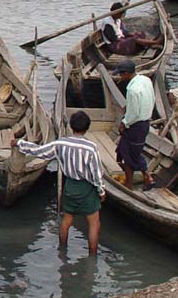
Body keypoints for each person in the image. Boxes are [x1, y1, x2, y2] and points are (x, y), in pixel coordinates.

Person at [10, 110, 105, 254]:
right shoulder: (91, 148)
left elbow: (40, 151)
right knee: (94, 223)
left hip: (70, 186)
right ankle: (92, 254)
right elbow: (96, 174)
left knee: (67, 219)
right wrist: (101, 191)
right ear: (87, 128)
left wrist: (20, 143)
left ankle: (62, 250)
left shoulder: (61, 143)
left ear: (71, 127)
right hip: (87, 188)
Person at [113, 60, 156, 190]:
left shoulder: (132, 90)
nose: (120, 77)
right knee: (124, 151)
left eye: (121, 74)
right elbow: (151, 98)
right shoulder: (145, 80)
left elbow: (134, 114)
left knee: (131, 154)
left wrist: (124, 124)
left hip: (135, 126)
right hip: (144, 122)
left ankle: (146, 177)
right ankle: (130, 181)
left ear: (126, 73)